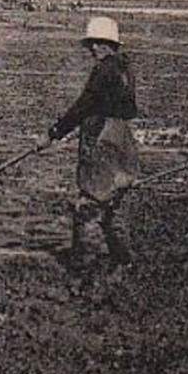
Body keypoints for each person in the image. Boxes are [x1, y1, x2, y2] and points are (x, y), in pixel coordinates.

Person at [48, 16, 140, 274]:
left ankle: (82, 266)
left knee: (88, 203)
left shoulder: (103, 70)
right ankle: (123, 262)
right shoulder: (125, 69)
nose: (91, 49)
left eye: (94, 44)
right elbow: (130, 110)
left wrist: (54, 132)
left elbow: (83, 106)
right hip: (123, 139)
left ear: (105, 44)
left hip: (102, 139)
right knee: (114, 204)